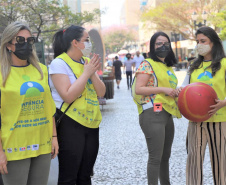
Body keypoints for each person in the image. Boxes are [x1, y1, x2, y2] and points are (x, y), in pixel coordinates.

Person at [0, 21, 58, 185]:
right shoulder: (1, 74)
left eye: (29, 40)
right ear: (9, 45)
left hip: (42, 144)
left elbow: (49, 107)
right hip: (14, 147)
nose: (25, 44)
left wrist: (54, 137)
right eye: (20, 40)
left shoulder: (41, 70)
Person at [49, 25, 106, 185]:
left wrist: (92, 72)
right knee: (69, 177)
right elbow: (68, 96)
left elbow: (101, 92)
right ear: (75, 42)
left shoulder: (86, 62)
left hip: (91, 123)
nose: (89, 44)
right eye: (86, 40)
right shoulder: (59, 63)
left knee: (85, 175)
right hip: (70, 124)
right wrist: (87, 73)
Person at [133, 31, 181, 185]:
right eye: (159, 43)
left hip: (167, 114)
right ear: (152, 46)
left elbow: (169, 89)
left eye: (166, 43)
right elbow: (138, 89)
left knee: (165, 156)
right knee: (155, 157)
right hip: (152, 113)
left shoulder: (167, 66)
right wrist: (163, 89)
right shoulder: (147, 64)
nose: (163, 46)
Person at [180, 26, 226, 185]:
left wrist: (223, 103)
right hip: (196, 122)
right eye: (197, 41)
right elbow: (183, 88)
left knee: (221, 164)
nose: (199, 44)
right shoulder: (193, 66)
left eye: (203, 41)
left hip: (219, 121)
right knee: (194, 162)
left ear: (213, 43)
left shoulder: (224, 64)